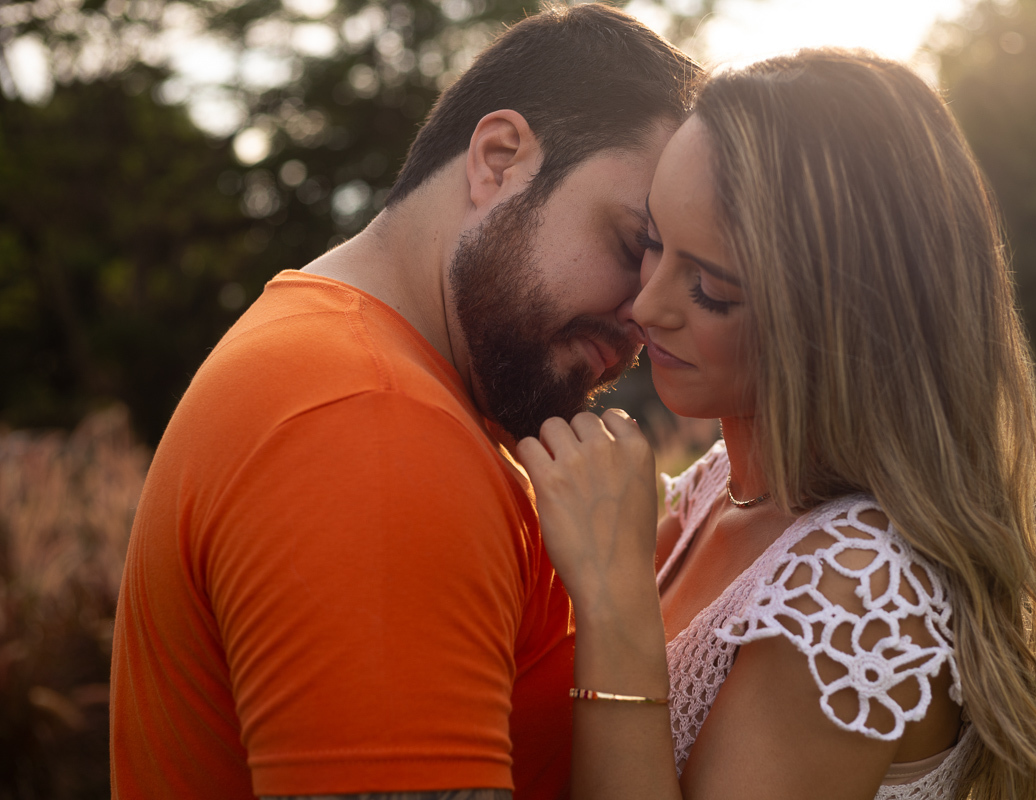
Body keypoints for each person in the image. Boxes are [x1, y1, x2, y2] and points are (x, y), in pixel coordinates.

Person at [109, 5, 700, 799]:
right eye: (634, 245)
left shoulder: (366, 374)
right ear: (498, 159)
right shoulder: (371, 425)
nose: (646, 309)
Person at [516, 50, 1036, 800]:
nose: (645, 305)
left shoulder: (854, 594)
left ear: (846, 321)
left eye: (711, 289)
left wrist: (615, 599)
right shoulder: (723, 486)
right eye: (653, 242)